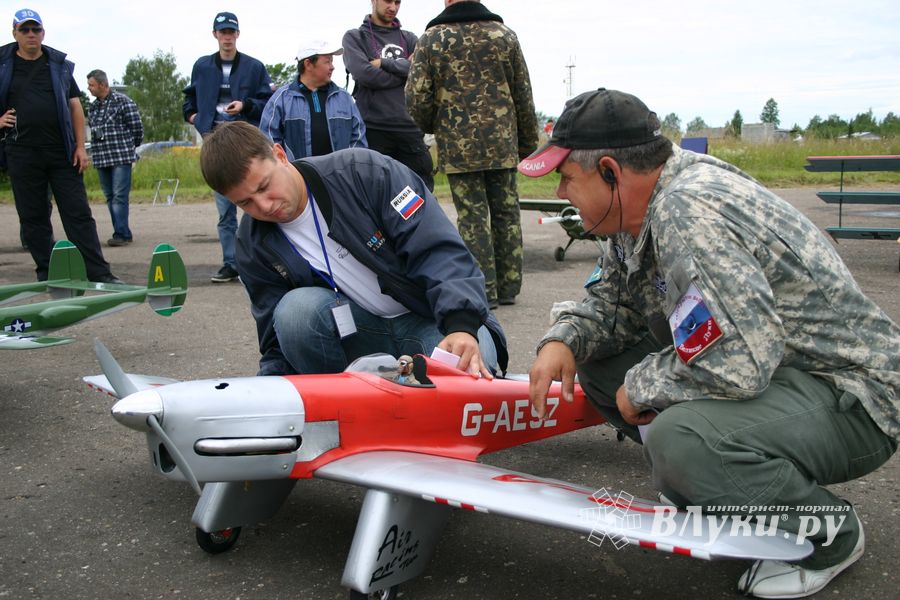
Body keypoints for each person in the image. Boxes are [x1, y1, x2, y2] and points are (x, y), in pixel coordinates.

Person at [520, 88, 899, 599]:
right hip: (776, 372)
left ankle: (827, 533)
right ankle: (721, 486)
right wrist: (563, 339)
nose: (563, 192)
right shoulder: (634, 208)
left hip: (852, 394)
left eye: (567, 178)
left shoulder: (688, 211)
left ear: (610, 170)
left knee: (683, 440)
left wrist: (644, 386)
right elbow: (616, 303)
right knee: (599, 366)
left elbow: (739, 363)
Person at [199, 121, 507, 379]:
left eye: (264, 186)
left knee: (467, 376)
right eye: (245, 203)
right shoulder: (252, 243)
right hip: (360, 335)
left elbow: (438, 250)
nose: (264, 206)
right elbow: (275, 338)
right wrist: (269, 396)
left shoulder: (365, 172)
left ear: (280, 155)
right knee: (295, 312)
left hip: (433, 321)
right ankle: (345, 406)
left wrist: (462, 326)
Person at [406, 0, 538, 308]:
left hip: (458, 143)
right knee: (506, 213)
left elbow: (416, 96)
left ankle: (484, 290)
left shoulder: (432, 39)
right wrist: (527, 144)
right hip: (503, 142)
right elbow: (523, 93)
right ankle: (508, 286)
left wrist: (434, 125)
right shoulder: (504, 35)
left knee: (472, 217)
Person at [0, 8, 120, 283]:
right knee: (33, 217)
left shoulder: (58, 65)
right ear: (14, 33)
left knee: (78, 214)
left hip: (61, 153)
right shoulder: (3, 64)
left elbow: (75, 106)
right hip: (21, 152)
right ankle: (48, 272)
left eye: (36, 30)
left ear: (43, 32)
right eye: (25, 30)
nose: (31, 35)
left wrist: (80, 147)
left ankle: (98, 272)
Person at [183, 11, 272, 283]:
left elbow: (267, 100)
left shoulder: (254, 67)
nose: (227, 37)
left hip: (245, 142)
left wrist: (244, 105)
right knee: (225, 210)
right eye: (223, 32)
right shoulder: (202, 66)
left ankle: (262, 263)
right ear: (215, 35)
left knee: (256, 204)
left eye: (231, 32)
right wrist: (194, 117)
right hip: (214, 144)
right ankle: (230, 263)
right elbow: (189, 98)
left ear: (237, 35)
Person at [343, 0, 434, 190]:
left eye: (398, 2)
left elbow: (422, 70)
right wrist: (404, 74)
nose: (393, 7)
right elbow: (366, 75)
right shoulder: (355, 37)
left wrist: (384, 63)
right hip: (374, 130)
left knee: (421, 195)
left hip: (410, 130)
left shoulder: (410, 38)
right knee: (380, 195)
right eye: (387, 1)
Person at [259, 41, 366, 161]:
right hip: (297, 177)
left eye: (332, 61)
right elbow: (268, 140)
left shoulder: (344, 98)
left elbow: (358, 137)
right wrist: (287, 171)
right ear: (308, 64)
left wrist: (350, 167)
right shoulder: (281, 99)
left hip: (339, 178)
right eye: (327, 61)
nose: (332, 67)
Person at [86, 69, 143, 247]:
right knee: (110, 196)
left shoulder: (123, 102)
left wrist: (128, 147)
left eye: (92, 85)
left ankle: (121, 233)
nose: (89, 88)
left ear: (103, 85)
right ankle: (121, 229)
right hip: (102, 157)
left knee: (119, 196)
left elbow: (137, 127)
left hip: (120, 156)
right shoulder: (93, 107)